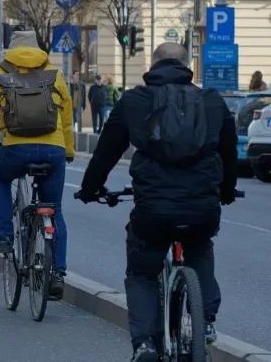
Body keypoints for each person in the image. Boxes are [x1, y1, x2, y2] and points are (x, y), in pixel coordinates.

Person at [75, 42, 238, 362]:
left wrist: (91, 189)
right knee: (199, 245)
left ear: (153, 65)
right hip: (201, 206)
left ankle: (146, 344)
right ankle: (204, 323)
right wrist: (227, 191)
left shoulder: (134, 100)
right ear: (186, 64)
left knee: (142, 272)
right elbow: (229, 152)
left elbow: (107, 150)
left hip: (152, 208)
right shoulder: (212, 101)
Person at [0, 30, 74, 296]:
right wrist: (69, 150)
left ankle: (5, 234)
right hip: (53, 150)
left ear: (11, 49)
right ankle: (58, 274)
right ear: (38, 49)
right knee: (55, 210)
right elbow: (66, 115)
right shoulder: (53, 73)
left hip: (16, 148)